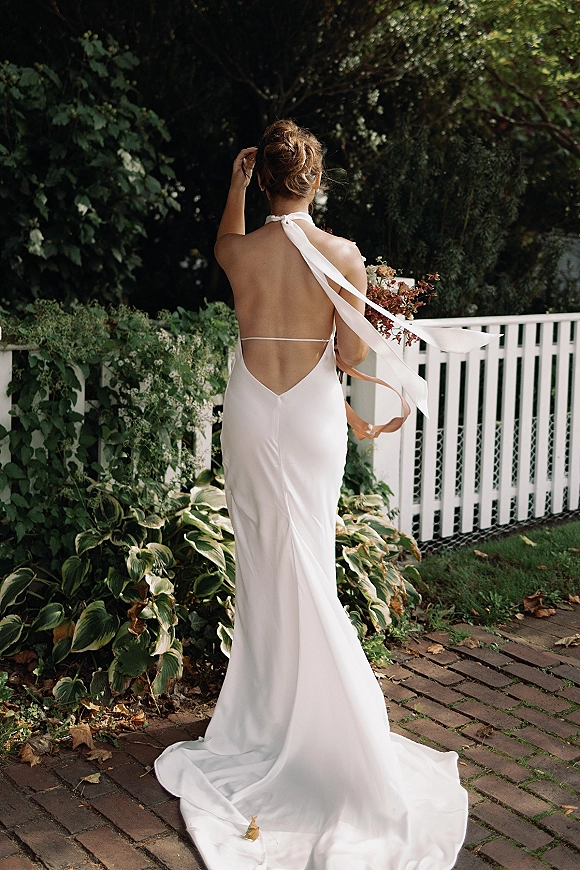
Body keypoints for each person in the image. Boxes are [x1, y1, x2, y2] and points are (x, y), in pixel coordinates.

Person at [155, 120, 472, 870]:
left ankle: (264, 717)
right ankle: (321, 721)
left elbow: (224, 244)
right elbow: (354, 353)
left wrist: (234, 188)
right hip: (307, 415)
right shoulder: (343, 257)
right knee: (310, 561)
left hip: (250, 408)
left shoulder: (239, 251)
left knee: (264, 560)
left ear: (261, 179)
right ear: (315, 180)